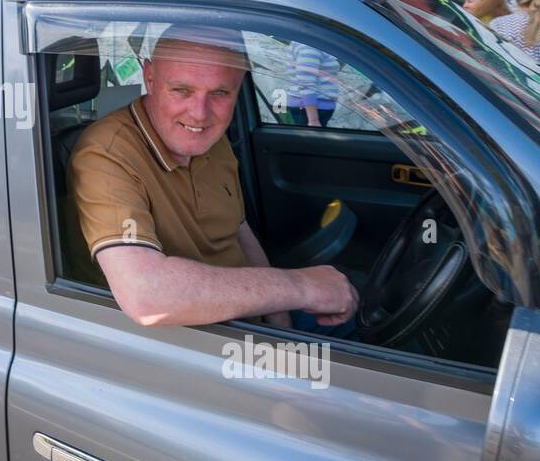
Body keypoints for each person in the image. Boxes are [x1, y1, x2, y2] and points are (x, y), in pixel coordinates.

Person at [66, 32, 358, 331]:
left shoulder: (211, 140)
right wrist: (300, 286)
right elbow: (146, 296)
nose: (200, 114)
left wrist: (279, 320)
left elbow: (238, 227)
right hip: (192, 341)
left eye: (220, 93)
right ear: (149, 77)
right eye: (181, 90)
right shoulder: (106, 154)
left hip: (248, 317)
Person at [285, 41, 339, 127]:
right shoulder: (309, 45)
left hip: (312, 109)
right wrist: (313, 121)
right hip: (311, 111)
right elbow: (306, 82)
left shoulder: (312, 42)